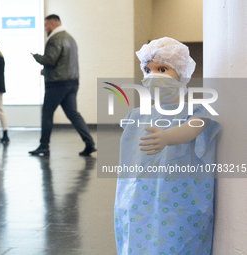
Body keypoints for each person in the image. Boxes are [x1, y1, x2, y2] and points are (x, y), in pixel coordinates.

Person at [114, 37, 221, 255]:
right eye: (147, 69)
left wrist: (168, 136)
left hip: (178, 197)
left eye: (162, 69)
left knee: (173, 239)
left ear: (181, 74)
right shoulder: (138, 114)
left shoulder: (194, 111)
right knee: (136, 234)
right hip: (137, 197)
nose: (153, 76)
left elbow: (195, 127)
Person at [30, 14, 96, 156]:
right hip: (72, 82)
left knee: (47, 114)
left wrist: (36, 57)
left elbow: (50, 60)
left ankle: (44, 146)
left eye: (46, 25)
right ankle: (90, 143)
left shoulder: (54, 39)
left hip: (57, 84)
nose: (45, 28)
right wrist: (46, 71)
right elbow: (63, 62)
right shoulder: (70, 38)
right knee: (73, 114)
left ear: (52, 25)